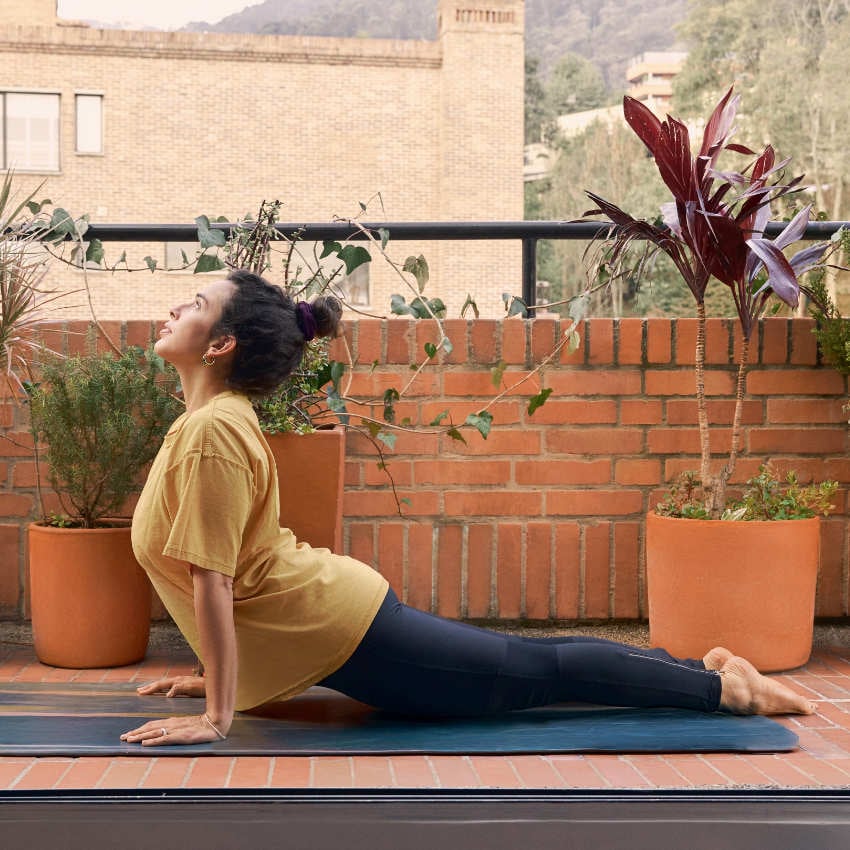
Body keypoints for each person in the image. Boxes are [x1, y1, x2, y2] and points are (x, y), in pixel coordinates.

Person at [122, 270, 815, 748]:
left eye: (193, 303)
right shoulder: (212, 424)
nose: (175, 309)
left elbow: (216, 579)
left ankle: (727, 689)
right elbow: (232, 571)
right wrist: (222, 674)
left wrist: (217, 716)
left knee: (533, 676)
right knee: (528, 667)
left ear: (220, 344)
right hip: (329, 623)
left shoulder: (212, 430)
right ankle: (707, 673)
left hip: (342, 626)